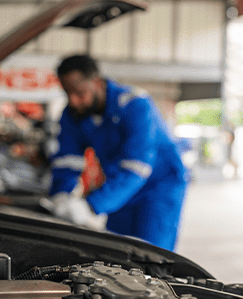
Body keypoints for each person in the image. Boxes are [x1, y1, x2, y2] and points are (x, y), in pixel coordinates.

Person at [48, 55, 188, 250]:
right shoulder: (72, 114)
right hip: (119, 188)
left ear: (96, 82)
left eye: (79, 92)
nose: (73, 101)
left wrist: (91, 206)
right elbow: (67, 160)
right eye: (67, 93)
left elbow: (137, 166)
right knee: (117, 253)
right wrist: (61, 195)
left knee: (151, 256)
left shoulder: (135, 105)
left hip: (158, 189)